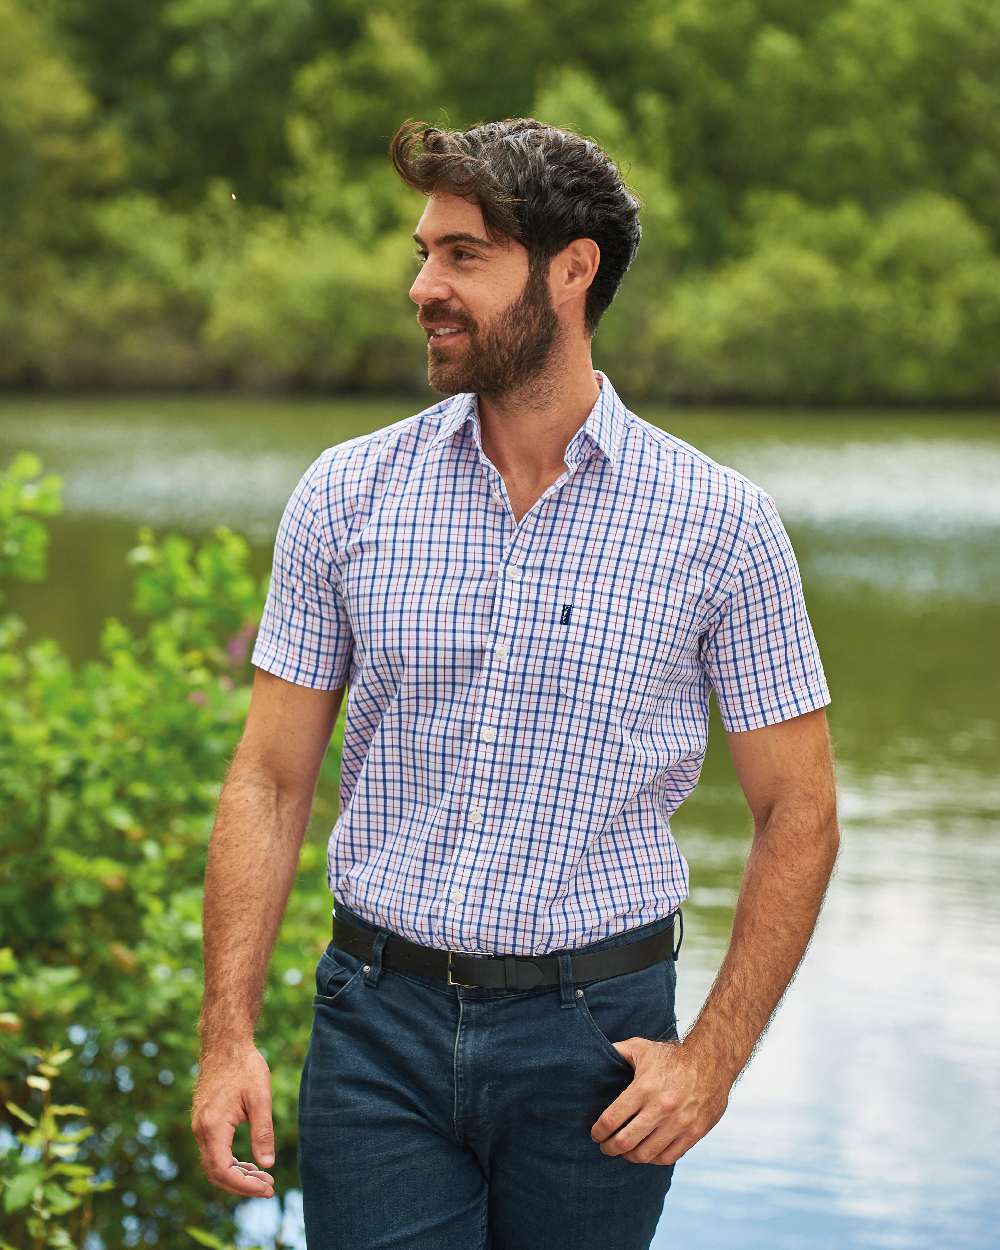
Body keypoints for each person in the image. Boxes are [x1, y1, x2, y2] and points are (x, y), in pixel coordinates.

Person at [191, 117, 839, 1250]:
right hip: (376, 1031)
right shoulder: (346, 494)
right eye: (424, 252)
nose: (422, 287)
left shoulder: (720, 524)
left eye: (463, 256)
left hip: (598, 1045)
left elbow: (801, 810)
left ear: (571, 269)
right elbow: (269, 777)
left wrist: (712, 1060)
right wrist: (226, 1034)